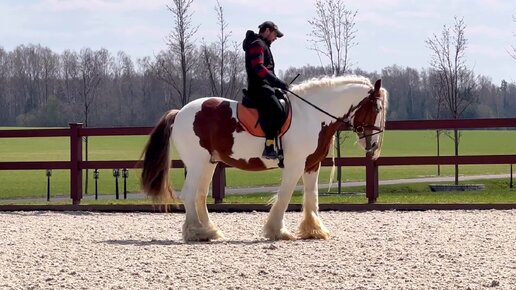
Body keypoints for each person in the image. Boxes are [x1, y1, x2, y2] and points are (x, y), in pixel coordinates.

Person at [242, 21, 289, 160]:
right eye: (275, 34)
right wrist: (277, 82)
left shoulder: (263, 45)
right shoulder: (257, 44)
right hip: (259, 87)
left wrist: (277, 85)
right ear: (267, 31)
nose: (275, 38)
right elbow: (258, 68)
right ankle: (269, 147)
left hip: (266, 86)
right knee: (277, 110)